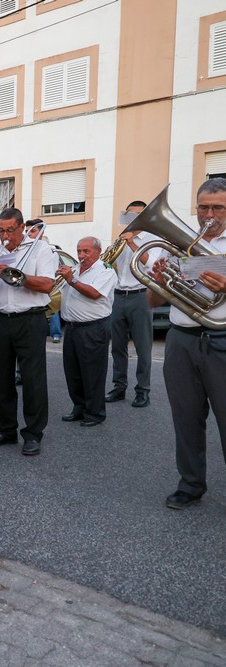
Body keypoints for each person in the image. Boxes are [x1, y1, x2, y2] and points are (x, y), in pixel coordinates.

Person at [147, 178, 226, 510]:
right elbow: (153, 302)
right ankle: (191, 483)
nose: (209, 215)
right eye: (203, 207)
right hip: (181, 341)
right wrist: (159, 281)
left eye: (218, 207)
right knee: (186, 417)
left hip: (221, 339)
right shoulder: (180, 244)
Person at [0, 208, 58, 456]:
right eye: (0, 230)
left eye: (10, 230)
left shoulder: (41, 249)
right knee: (1, 378)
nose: (5, 236)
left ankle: (33, 433)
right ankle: (5, 429)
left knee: (33, 379)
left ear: (22, 227)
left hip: (30, 319)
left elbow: (47, 284)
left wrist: (14, 276)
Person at [57, 237, 116, 427]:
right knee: (73, 372)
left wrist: (71, 280)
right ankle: (79, 407)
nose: (81, 255)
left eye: (86, 251)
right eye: (79, 251)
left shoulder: (105, 270)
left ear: (98, 251)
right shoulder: (75, 269)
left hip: (93, 327)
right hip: (73, 328)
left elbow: (94, 293)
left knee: (93, 373)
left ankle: (95, 412)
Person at [108, 199, 156, 408]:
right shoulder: (121, 238)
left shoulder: (152, 238)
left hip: (141, 295)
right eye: (129, 214)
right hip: (119, 295)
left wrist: (131, 243)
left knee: (143, 347)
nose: (132, 218)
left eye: (138, 215)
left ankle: (142, 390)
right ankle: (119, 387)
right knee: (117, 347)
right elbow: (111, 264)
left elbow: (151, 263)